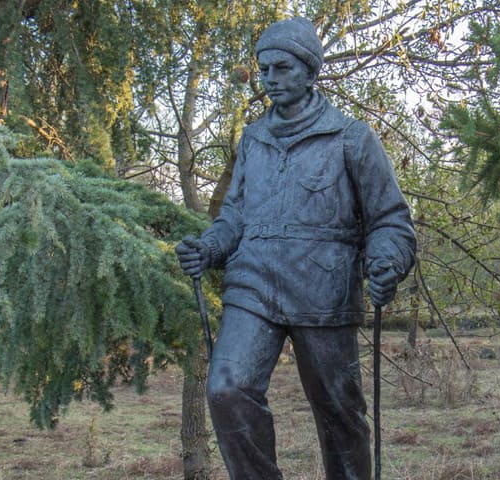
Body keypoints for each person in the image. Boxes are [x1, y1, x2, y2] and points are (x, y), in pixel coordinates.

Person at [176, 17, 416, 480]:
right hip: (254, 284)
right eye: (264, 70)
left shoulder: (351, 139)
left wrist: (387, 261)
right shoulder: (253, 139)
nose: (270, 79)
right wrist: (209, 249)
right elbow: (235, 217)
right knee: (227, 389)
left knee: (339, 415)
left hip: (322, 290)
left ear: (310, 71)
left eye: (282, 69)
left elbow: (390, 219)